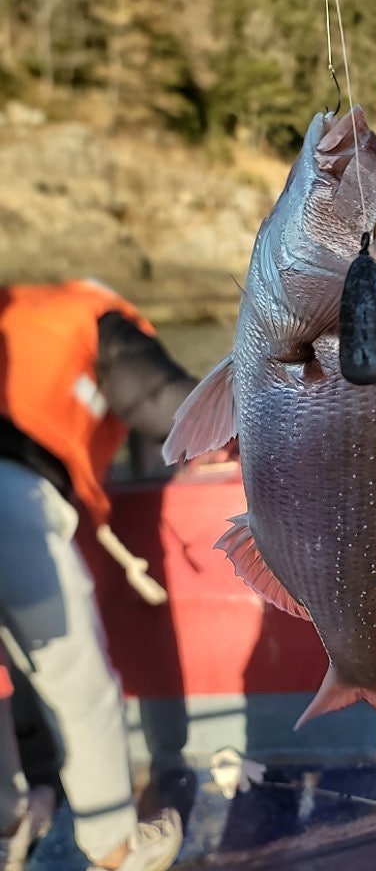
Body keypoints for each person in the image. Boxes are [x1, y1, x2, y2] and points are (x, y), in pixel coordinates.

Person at [0, 279, 198, 871]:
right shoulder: (99, 319)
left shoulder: (19, 309)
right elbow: (166, 405)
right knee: (78, 680)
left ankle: (8, 818)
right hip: (15, 498)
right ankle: (113, 844)